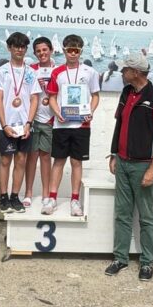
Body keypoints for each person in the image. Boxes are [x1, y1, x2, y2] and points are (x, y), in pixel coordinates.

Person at [104, 53, 153, 282]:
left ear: (136, 72)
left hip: (144, 166)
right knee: (122, 214)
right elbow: (119, 124)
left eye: (125, 69)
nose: (121, 72)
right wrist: (114, 153)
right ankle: (120, 258)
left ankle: (147, 262)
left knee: (146, 217)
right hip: (123, 163)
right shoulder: (126, 92)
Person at [45, 34, 100, 216]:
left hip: (81, 125)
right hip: (61, 125)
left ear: (81, 51)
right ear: (64, 50)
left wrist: (90, 112)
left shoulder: (90, 72)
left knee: (76, 162)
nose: (73, 54)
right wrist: (57, 112)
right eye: (70, 50)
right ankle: (52, 198)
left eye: (77, 50)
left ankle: (75, 200)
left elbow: (95, 96)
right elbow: (52, 97)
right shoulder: (57, 72)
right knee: (59, 161)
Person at [0, 32, 41, 214]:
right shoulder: (1, 71)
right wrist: (4, 125)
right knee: (5, 160)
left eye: (23, 47)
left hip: (25, 126)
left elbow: (34, 99)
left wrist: (29, 123)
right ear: (9, 48)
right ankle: (3, 196)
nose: (19, 50)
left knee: (21, 160)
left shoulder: (31, 73)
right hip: (7, 125)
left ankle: (14, 196)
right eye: (16, 46)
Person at [22, 36, 55, 209]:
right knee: (32, 156)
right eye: (38, 51)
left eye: (45, 50)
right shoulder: (30, 70)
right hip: (33, 118)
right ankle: (28, 193)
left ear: (51, 50)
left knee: (46, 157)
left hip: (50, 119)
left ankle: (46, 193)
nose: (42, 53)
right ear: (34, 53)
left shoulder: (58, 70)